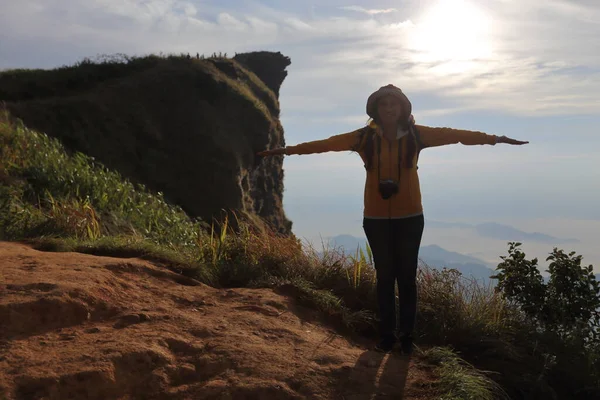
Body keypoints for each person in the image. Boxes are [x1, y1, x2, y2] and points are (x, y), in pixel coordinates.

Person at [257, 84, 528, 355]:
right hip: (375, 218)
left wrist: (496, 138)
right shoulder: (363, 138)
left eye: (394, 105)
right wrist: (285, 151)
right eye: (384, 105)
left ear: (402, 108)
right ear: (375, 109)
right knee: (385, 277)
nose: (389, 109)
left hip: (410, 217)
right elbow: (325, 144)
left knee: (407, 278)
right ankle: (387, 337)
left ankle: (407, 338)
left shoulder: (417, 134)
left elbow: (456, 135)